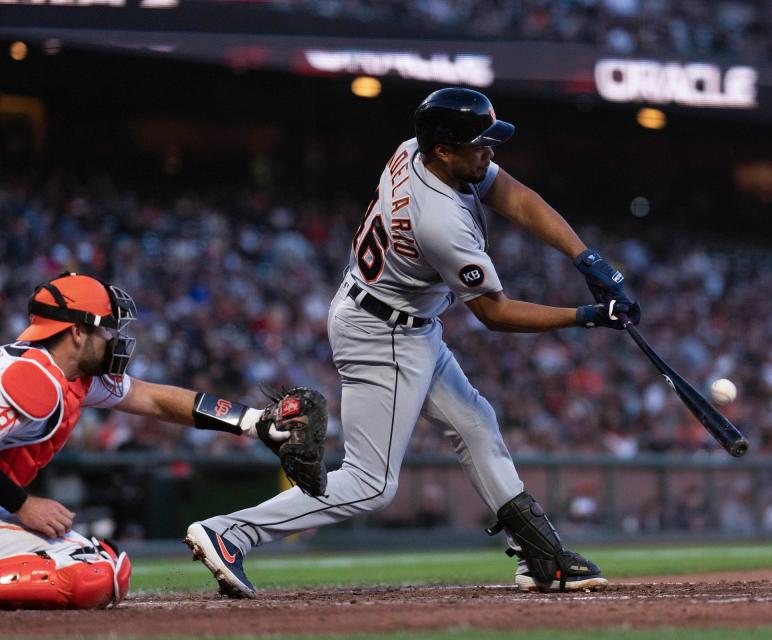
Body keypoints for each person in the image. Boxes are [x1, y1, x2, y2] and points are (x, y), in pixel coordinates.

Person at [185, 87, 641, 597]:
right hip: (386, 332)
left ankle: (541, 555)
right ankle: (230, 532)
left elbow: (512, 194)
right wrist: (587, 316)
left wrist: (585, 257)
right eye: (479, 143)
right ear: (445, 149)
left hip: (396, 317)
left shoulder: (417, 148)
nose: (489, 151)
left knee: (475, 423)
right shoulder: (439, 220)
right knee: (370, 484)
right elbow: (495, 314)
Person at [0, 272, 280, 609]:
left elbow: (155, 399)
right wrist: (23, 505)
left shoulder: (72, 377)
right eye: (106, 328)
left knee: (105, 566)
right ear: (76, 332)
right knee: (93, 576)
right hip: (9, 503)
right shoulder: (31, 380)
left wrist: (252, 422)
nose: (113, 337)